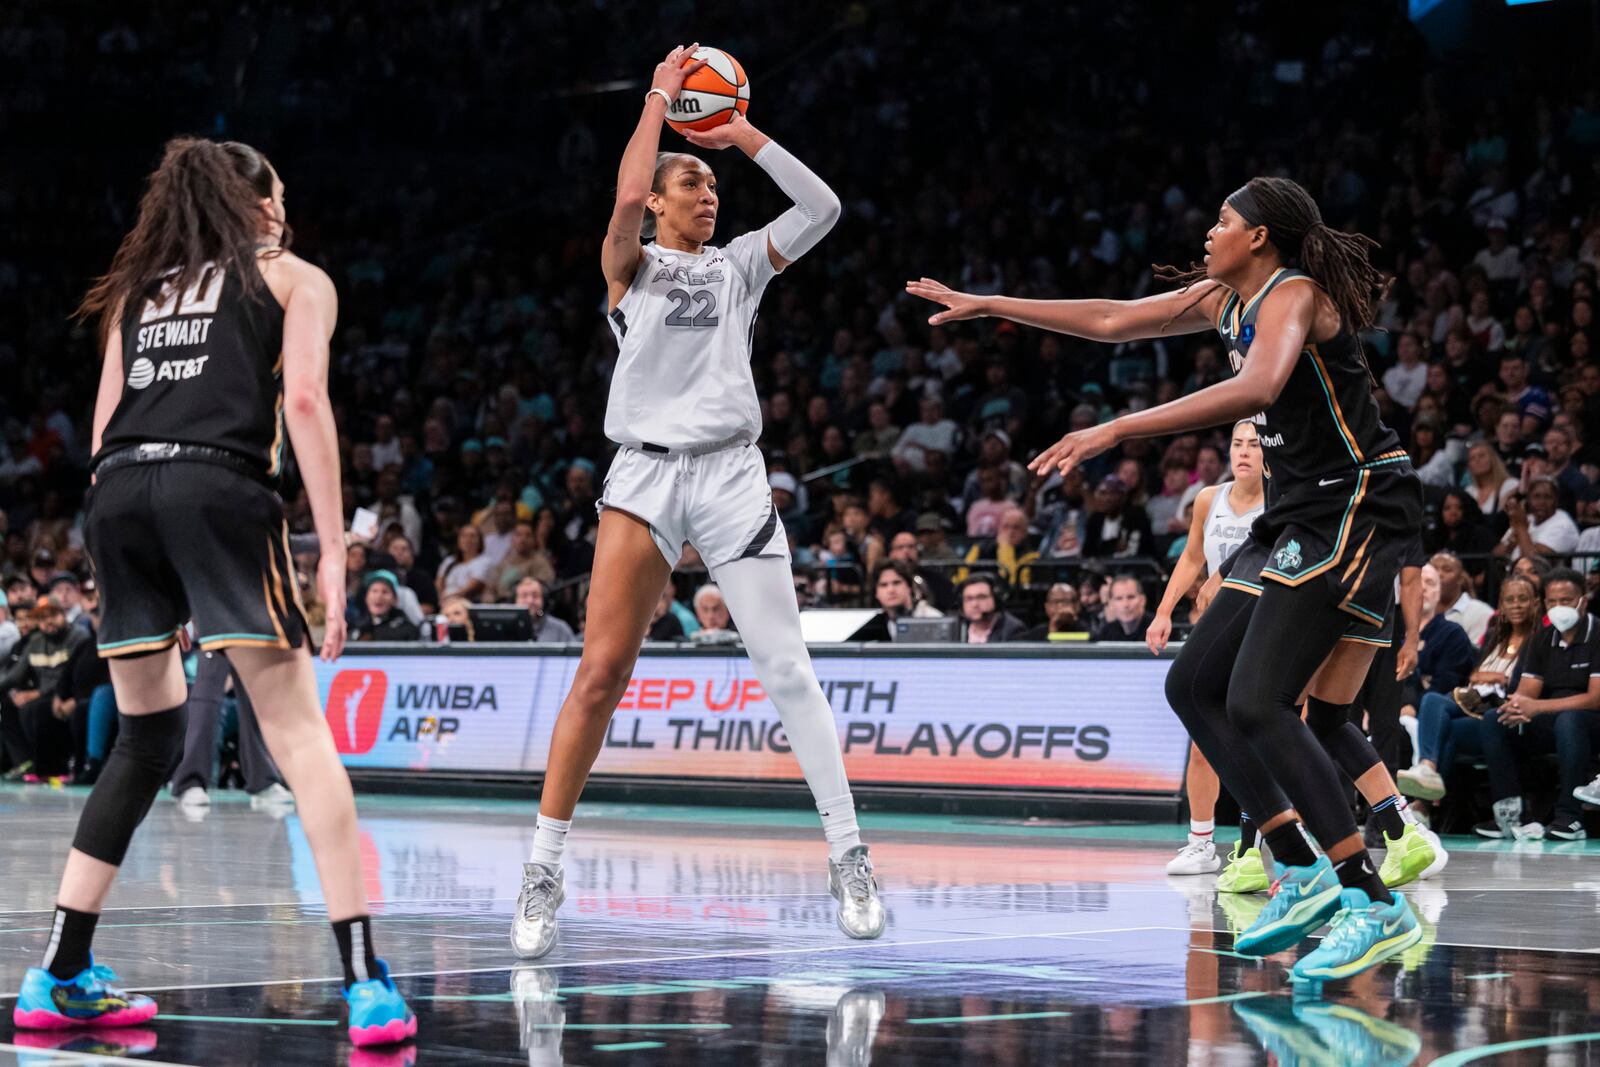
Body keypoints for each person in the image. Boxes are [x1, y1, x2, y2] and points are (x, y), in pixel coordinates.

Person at [911, 175, 1424, 981]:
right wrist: (992, 303)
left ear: (1260, 236)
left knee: (1260, 700)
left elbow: (1256, 388)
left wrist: (1114, 427)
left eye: (1224, 218)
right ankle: (1295, 864)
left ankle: (1370, 898)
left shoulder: (1292, 294)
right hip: (1296, 512)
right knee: (1194, 684)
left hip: (1356, 501)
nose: (1209, 229)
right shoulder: (1224, 298)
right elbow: (1113, 320)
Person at [13, 138, 413, 1043]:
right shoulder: (293, 274)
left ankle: (58, 971)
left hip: (117, 498)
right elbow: (304, 403)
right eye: (283, 192)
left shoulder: (138, 290)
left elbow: (105, 427)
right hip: (216, 485)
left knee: (145, 739)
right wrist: (337, 553)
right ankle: (366, 982)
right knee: (299, 730)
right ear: (261, 204)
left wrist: (144, 548)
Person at [511, 46, 883, 963]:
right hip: (643, 475)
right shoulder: (628, 265)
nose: (707, 193)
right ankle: (542, 871)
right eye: (692, 180)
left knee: (788, 665)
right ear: (662, 201)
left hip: (730, 476)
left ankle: (850, 854)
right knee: (600, 675)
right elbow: (625, 198)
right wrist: (656, 104)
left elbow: (825, 209)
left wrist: (738, 131)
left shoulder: (741, 267)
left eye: (713, 183)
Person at [1148, 421, 1265, 880]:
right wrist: (1163, 610)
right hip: (1219, 631)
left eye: (1254, 444)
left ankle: (1263, 840)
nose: (1244, 452)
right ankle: (1201, 843)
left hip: (1268, 627)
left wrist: (1226, 579)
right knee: (1204, 742)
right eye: (1237, 444)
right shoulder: (1207, 499)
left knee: (1270, 739)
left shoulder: (1281, 501)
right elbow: (1193, 557)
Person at [1475, 567, 1600, 841]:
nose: (1558, 607)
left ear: (1583, 600)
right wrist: (1517, 707)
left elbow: (1594, 698)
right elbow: (1527, 691)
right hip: (1553, 719)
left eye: (1566, 601)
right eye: (1552, 601)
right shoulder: (1542, 637)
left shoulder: (1597, 633)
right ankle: (1509, 816)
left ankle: (1570, 817)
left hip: (1590, 721)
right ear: (1544, 603)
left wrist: (1537, 707)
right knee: (1496, 720)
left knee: (1571, 720)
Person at [1400, 574, 1538, 803]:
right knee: (1433, 701)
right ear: (1501, 605)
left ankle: (1421, 806)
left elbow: (1521, 683)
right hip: (1474, 702)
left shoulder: (1539, 640)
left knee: (1447, 730)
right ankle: (1426, 770)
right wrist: (1491, 676)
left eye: (1522, 599)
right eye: (1509, 599)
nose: (1516, 605)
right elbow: (1474, 673)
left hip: (1503, 712)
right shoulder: (1496, 637)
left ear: (1535, 602)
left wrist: (1498, 678)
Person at [170, 645, 292, 810]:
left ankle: (263, 781)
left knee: (254, 686)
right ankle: (189, 782)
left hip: (250, 624)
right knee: (208, 686)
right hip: (214, 623)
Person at [0, 598, 90, 779]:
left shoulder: (79, 637)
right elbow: (15, 675)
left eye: (53, 616)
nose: (47, 622)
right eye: (41, 618)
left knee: (37, 710)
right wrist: (10, 691)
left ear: (62, 615)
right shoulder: (36, 641)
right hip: (42, 694)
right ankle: (26, 763)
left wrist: (37, 693)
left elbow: (71, 676)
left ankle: (52, 769)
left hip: (69, 694)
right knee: (6, 704)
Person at [857, 559, 943, 642]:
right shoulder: (871, 625)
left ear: (909, 588)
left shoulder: (931, 618)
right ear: (876, 594)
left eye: (896, 583)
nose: (891, 590)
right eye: (883, 585)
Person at [1430, 551, 1493, 646]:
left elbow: (1477, 656)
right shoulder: (1417, 612)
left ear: (1460, 579)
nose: (1438, 575)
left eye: (1446, 570)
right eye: (1432, 570)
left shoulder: (1480, 612)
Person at [958, 574, 1028, 643]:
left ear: (996, 599)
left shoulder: (1013, 630)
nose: (975, 604)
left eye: (981, 597)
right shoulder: (956, 628)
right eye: (969, 599)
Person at [351, 571, 419, 642]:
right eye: (374, 591)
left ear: (395, 600)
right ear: (366, 598)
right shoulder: (356, 626)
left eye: (385, 592)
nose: (379, 596)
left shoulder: (406, 629)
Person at [515, 576, 576, 643]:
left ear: (544, 599)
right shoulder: (504, 629)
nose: (530, 601)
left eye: (535, 596)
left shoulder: (560, 629)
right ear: (514, 600)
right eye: (524, 596)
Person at [1094, 575, 1155, 642]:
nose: (1125, 604)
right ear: (1111, 603)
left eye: (1131, 597)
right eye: (1119, 598)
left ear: (1142, 600)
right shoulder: (1106, 633)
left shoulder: (1160, 628)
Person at [1020, 583, 1091, 640]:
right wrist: (1053, 627)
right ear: (1047, 607)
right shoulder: (1036, 635)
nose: (1060, 606)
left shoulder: (1089, 631)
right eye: (1055, 601)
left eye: (1066, 601)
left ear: (1077, 606)